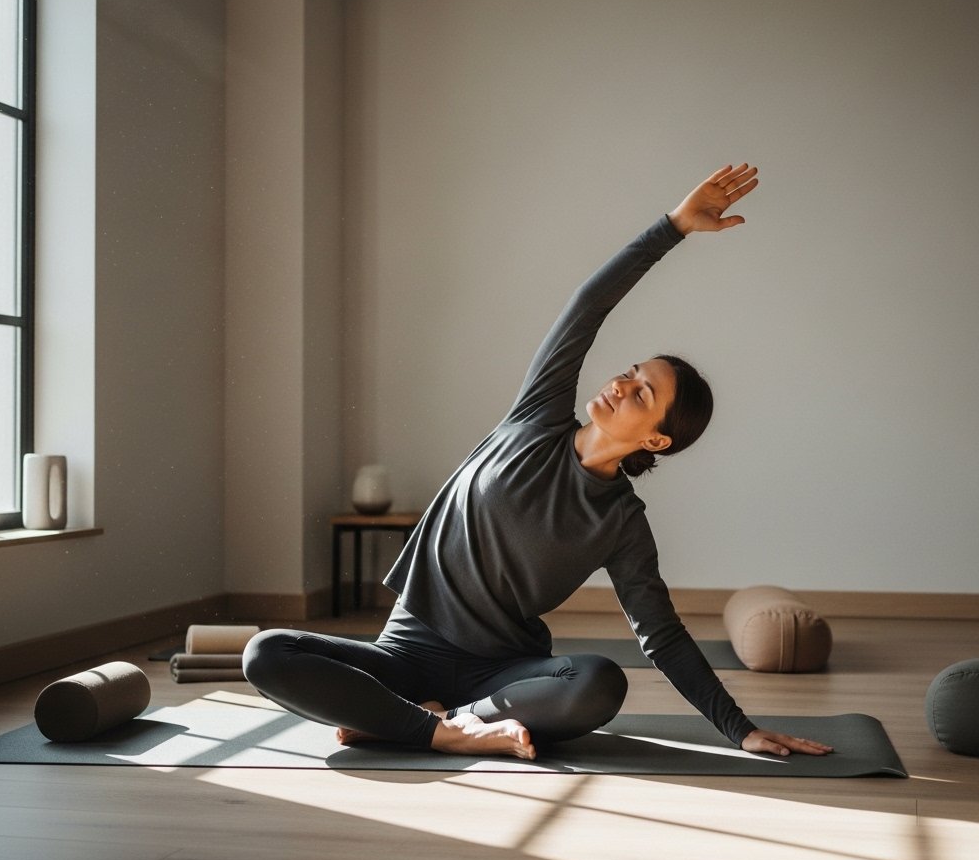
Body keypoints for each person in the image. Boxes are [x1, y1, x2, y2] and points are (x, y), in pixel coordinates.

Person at [243, 164, 833, 762]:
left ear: (657, 441)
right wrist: (674, 226)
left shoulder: (621, 523)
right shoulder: (538, 415)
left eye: (643, 394)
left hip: (501, 678)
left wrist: (739, 728)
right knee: (267, 653)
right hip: (406, 653)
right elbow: (588, 307)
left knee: (599, 680)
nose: (620, 385)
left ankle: (414, 722)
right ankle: (436, 728)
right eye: (629, 372)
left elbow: (662, 635)